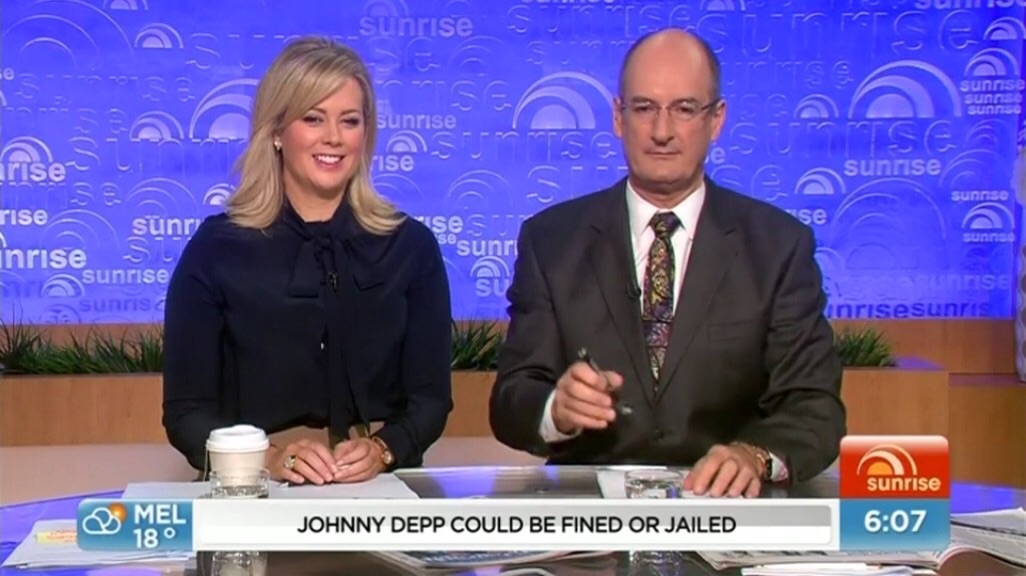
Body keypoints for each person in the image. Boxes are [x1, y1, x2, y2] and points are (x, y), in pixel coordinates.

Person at [489, 28, 846, 497]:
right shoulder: (552, 241)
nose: (662, 132)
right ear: (618, 118)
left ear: (716, 120)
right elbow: (512, 399)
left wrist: (754, 455)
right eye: (644, 108)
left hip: (729, 509)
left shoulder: (777, 246)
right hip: (591, 517)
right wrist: (556, 409)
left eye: (684, 109)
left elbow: (814, 407)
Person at [162, 36, 453, 485]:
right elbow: (186, 414)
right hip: (253, 488)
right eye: (313, 118)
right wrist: (269, 458)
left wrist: (383, 449)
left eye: (350, 121)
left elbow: (431, 400)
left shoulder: (410, 247)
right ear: (277, 131)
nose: (333, 137)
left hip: (379, 487)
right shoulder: (216, 249)